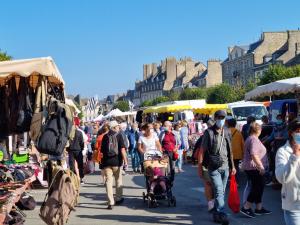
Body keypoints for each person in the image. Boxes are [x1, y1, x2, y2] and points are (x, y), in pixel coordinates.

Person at [200, 110, 236, 224]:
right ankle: (222, 214)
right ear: (215, 118)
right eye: (219, 117)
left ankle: (216, 214)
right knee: (219, 191)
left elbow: (230, 150)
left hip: (225, 167)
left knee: (221, 192)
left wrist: (233, 166)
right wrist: (200, 168)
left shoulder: (227, 131)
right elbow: (202, 151)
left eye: (223, 117)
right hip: (213, 167)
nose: (221, 119)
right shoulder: (209, 132)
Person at [240, 122, 271, 218]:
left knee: (259, 187)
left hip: (252, 167)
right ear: (258, 130)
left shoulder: (252, 138)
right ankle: (246, 207)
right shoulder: (253, 139)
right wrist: (261, 166)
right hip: (254, 167)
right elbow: (254, 154)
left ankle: (259, 208)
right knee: (257, 187)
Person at [276, 119, 300, 225]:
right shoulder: (283, 152)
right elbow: (282, 178)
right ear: (291, 132)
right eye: (298, 130)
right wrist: (294, 156)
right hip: (294, 206)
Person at [101, 121, 128, 210]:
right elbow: (122, 150)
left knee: (108, 182)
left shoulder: (105, 136)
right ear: (113, 127)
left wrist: (101, 162)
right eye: (117, 126)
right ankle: (118, 198)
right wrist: (126, 161)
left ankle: (110, 202)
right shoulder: (119, 136)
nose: (118, 128)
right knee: (118, 180)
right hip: (117, 162)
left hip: (107, 162)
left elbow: (102, 151)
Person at [265, 114, 288, 187]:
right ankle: (275, 180)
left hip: (283, 146)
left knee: (283, 162)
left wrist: (280, 138)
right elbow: (272, 136)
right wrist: (265, 141)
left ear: (283, 119)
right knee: (275, 163)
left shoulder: (286, 127)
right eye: (277, 118)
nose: (278, 120)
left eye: (280, 118)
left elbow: (286, 136)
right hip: (275, 147)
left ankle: (283, 180)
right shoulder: (274, 127)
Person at [197, 120, 215, 212]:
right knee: (208, 183)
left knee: (214, 184)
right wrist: (199, 166)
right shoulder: (206, 135)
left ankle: (213, 202)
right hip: (207, 163)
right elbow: (201, 151)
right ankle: (210, 203)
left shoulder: (223, 133)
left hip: (217, 164)